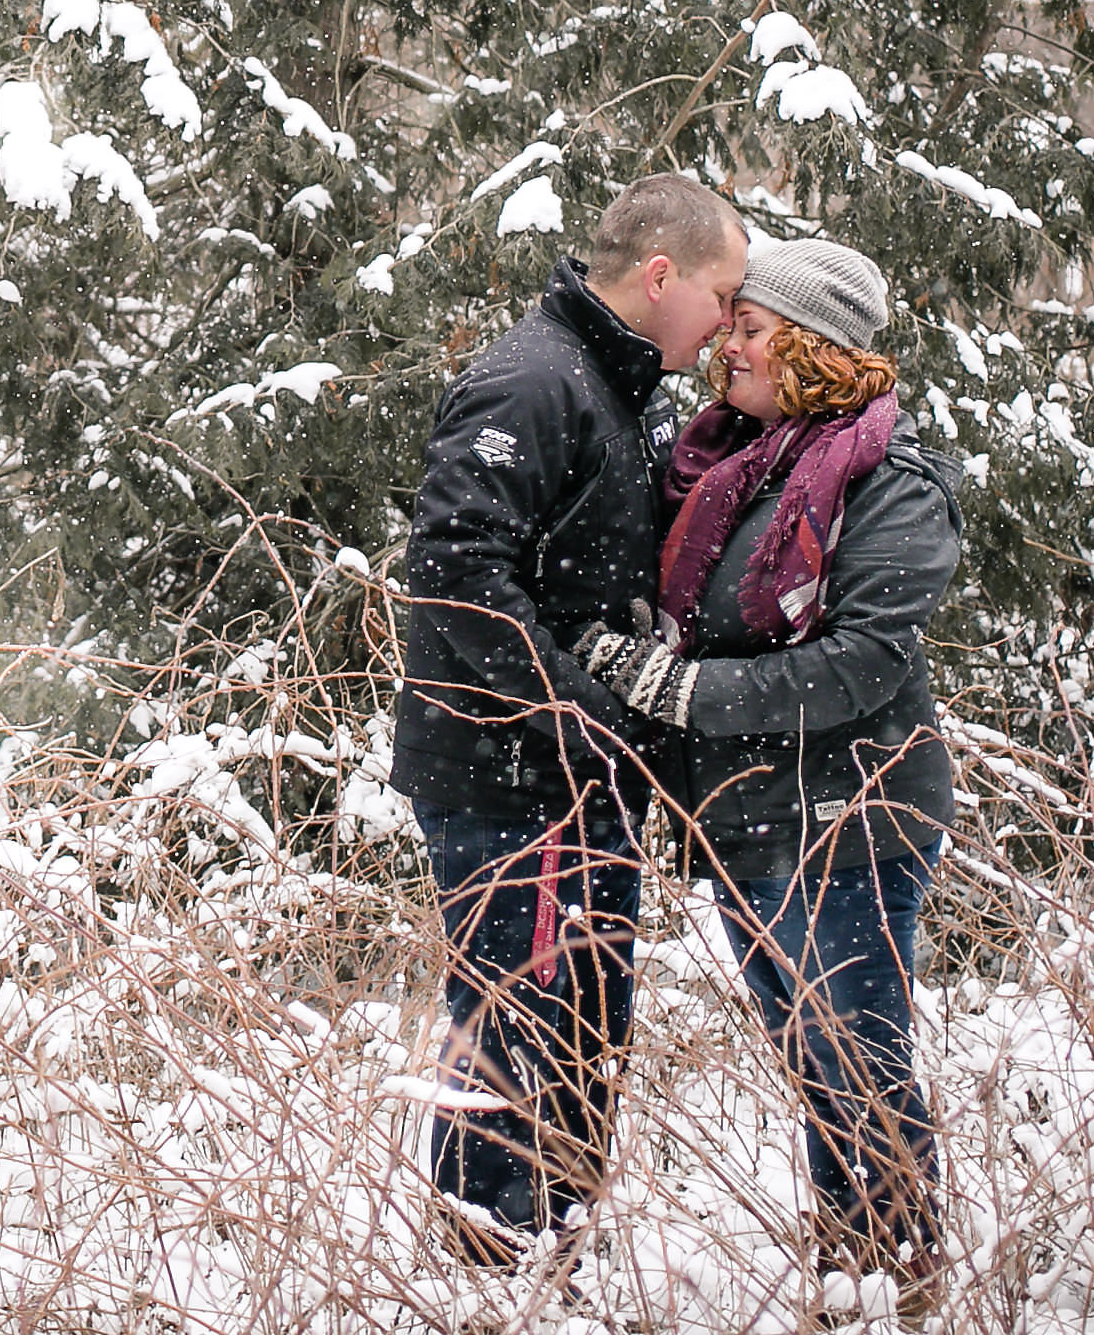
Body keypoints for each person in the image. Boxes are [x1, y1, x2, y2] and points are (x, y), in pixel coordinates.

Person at [578, 237, 962, 1317]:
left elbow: (863, 659)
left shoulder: (890, 476)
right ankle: (853, 1268)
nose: (726, 350)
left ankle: (898, 1275)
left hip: (851, 814)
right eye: (733, 325)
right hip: (746, 822)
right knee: (817, 1067)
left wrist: (687, 695)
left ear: (814, 347)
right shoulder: (733, 463)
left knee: (861, 1066)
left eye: (750, 331)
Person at [392, 172, 748, 1263]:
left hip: (566, 780)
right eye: (724, 295)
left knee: (579, 1030)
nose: (731, 323)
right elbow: (455, 575)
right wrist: (584, 719)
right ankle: (492, 1263)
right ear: (659, 276)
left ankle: (548, 1251)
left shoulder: (610, 382)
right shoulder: (534, 382)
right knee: (524, 1033)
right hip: (516, 782)